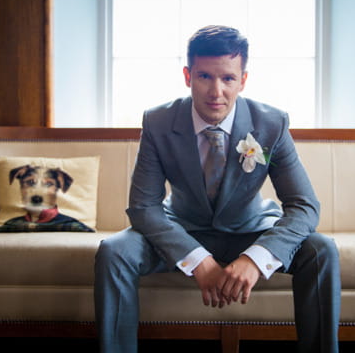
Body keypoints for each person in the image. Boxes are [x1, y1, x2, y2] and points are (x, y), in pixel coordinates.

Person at [94, 25, 341, 352]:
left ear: (243, 80)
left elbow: (304, 206)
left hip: (249, 229)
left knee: (321, 250)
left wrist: (256, 259)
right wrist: (197, 260)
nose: (216, 92)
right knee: (114, 251)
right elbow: (144, 207)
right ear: (187, 76)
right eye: (204, 76)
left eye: (227, 78)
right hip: (182, 228)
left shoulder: (271, 123)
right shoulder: (158, 122)